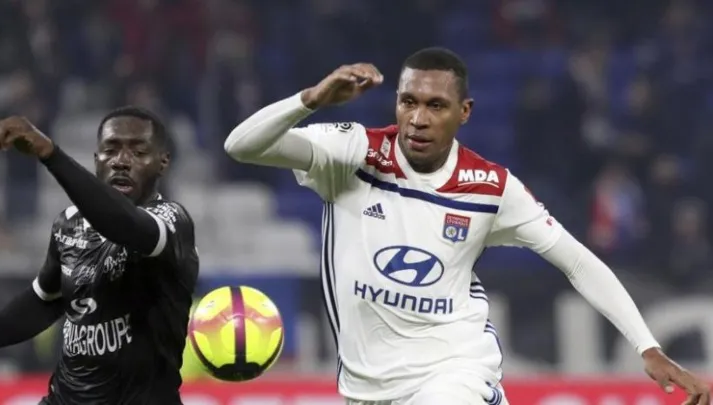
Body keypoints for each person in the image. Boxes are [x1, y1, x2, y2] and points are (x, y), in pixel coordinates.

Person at [223, 47, 710, 405]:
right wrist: (309, 99)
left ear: (464, 113)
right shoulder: (351, 152)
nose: (417, 118)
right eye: (408, 101)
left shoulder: (490, 187)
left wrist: (648, 347)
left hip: (453, 373)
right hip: (364, 388)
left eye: (435, 106)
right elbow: (240, 147)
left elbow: (577, 261)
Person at [0, 107, 199, 405]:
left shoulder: (173, 223)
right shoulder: (69, 223)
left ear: (163, 163)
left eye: (138, 151)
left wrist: (50, 154)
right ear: (96, 161)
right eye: (110, 150)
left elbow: (124, 225)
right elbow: (44, 300)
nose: (121, 161)